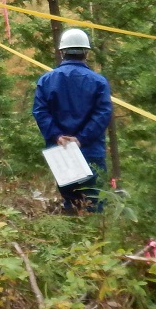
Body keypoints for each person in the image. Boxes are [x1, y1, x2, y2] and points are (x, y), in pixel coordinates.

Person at [33, 28, 112, 214]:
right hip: (91, 151)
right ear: (86, 52)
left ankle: (71, 240)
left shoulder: (46, 80)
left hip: (62, 153)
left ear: (62, 52)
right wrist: (81, 139)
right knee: (95, 204)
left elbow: (40, 111)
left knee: (70, 202)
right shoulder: (99, 81)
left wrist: (57, 136)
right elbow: (103, 113)